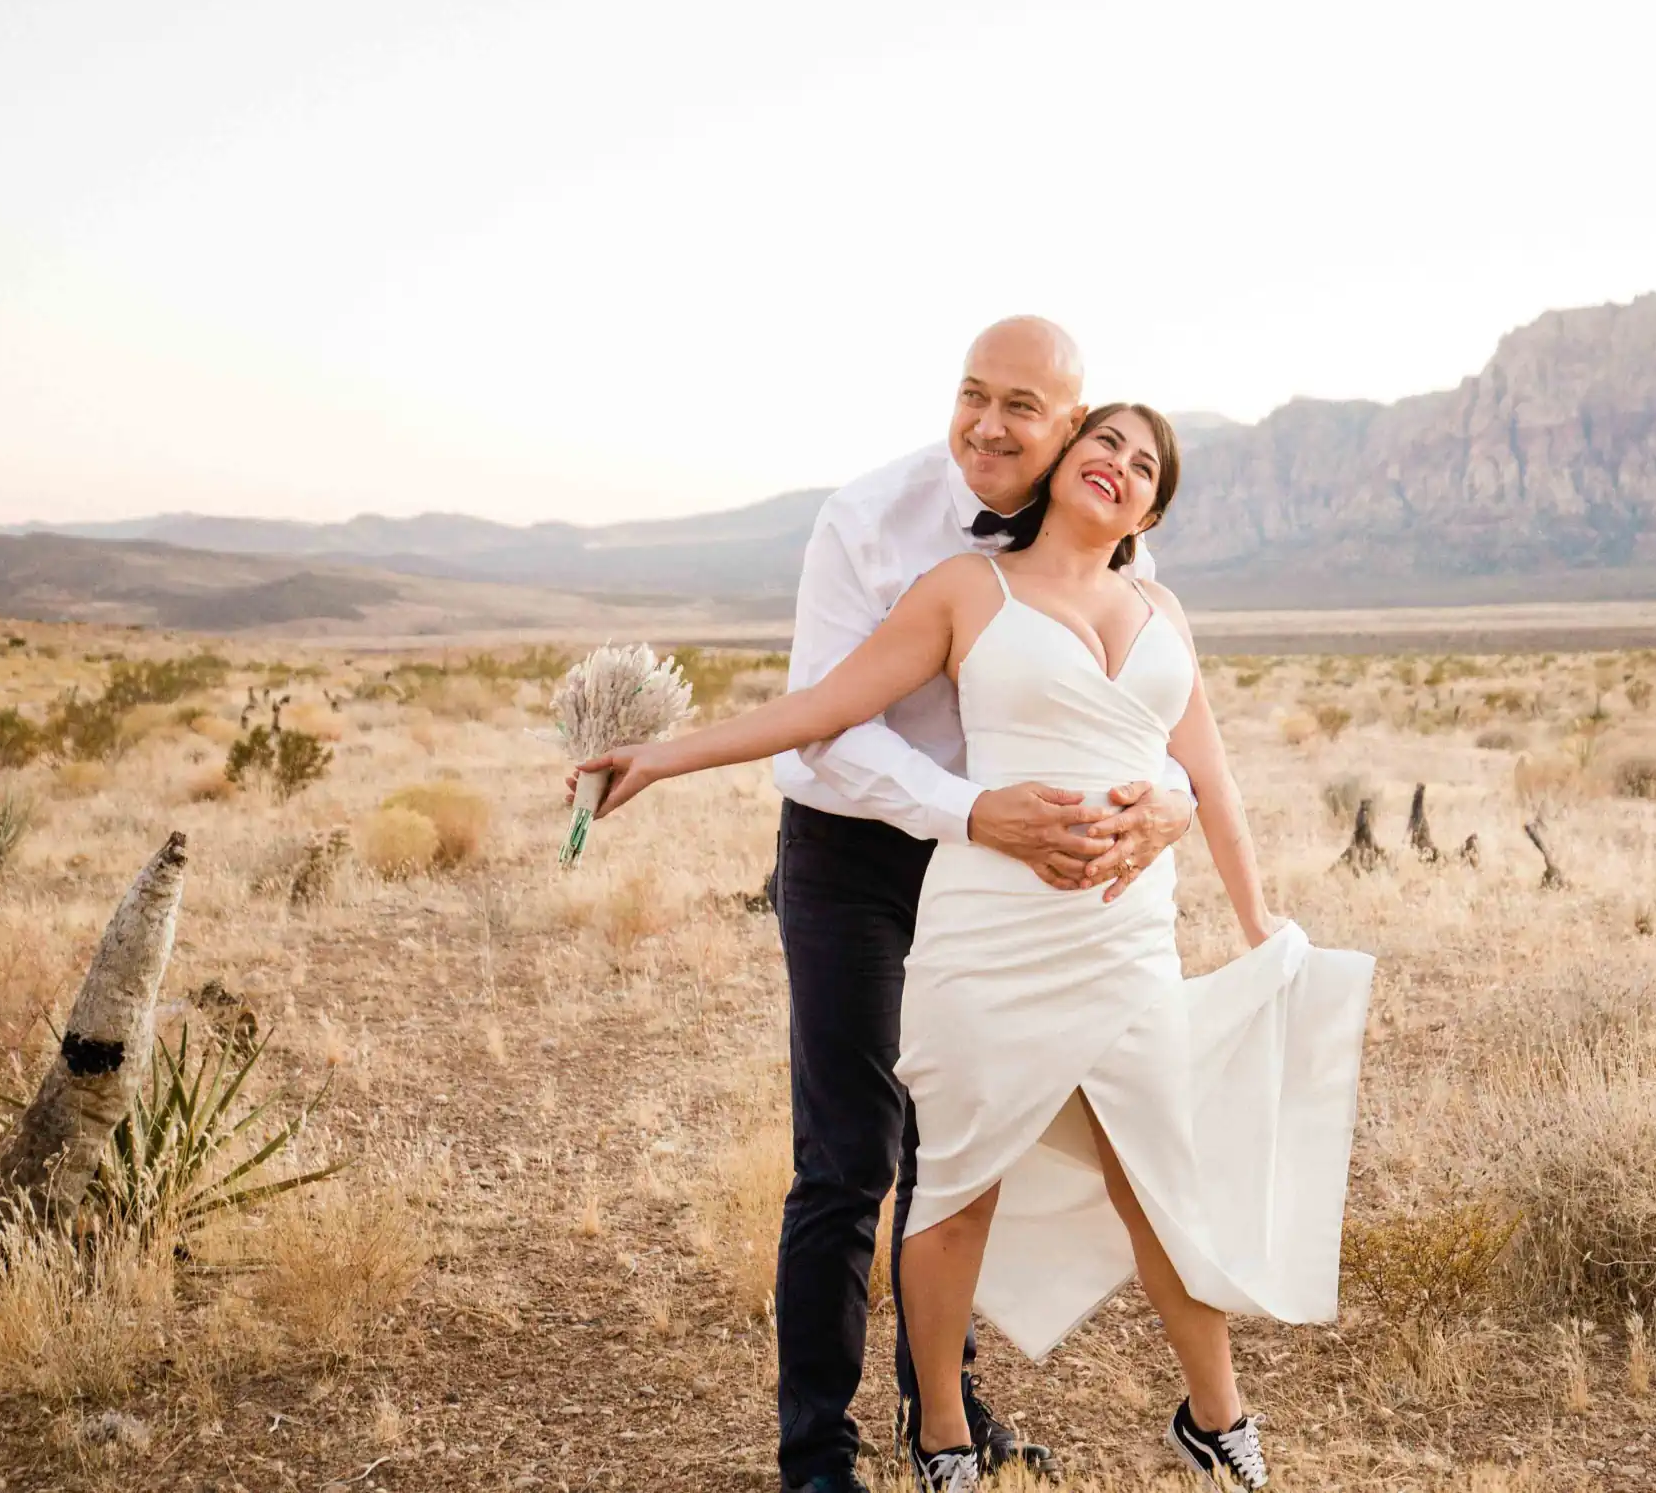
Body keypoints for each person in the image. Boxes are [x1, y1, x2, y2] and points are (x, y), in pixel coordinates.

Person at [575, 402, 1373, 1493]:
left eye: (1145, 466)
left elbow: (1208, 772)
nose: (1120, 465)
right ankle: (944, 1438)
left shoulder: (1161, 607)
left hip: (1124, 938)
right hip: (988, 928)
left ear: (1149, 511)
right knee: (956, 1185)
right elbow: (823, 709)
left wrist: (1256, 917)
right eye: (1105, 443)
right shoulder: (964, 588)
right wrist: (663, 758)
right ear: (1063, 457)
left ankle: (1216, 1419)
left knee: (1160, 1180)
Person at [714, 317, 1199, 1493]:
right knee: (848, 1155)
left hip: (996, 871)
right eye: (972, 394)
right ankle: (815, 1458)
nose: (985, 425)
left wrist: (1171, 804)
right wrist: (972, 812)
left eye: (1020, 407)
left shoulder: (1096, 535)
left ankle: (944, 1420)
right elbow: (825, 729)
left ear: (1071, 428)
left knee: (960, 1144)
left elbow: (1148, 709)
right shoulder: (867, 520)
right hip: (854, 848)